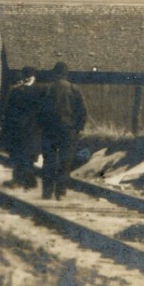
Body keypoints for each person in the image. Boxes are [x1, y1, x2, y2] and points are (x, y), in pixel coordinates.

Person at [38, 61, 88, 199]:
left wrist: (42, 127)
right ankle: (61, 192)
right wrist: (78, 129)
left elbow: (39, 111)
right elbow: (83, 112)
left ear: (54, 73)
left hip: (49, 131)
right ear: (66, 74)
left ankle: (47, 192)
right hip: (68, 131)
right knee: (65, 162)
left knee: (49, 161)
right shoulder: (74, 89)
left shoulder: (46, 89)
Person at [2, 67, 42, 189]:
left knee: (18, 155)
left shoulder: (16, 92)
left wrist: (7, 129)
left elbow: (8, 112)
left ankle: (20, 180)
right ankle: (29, 180)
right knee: (29, 156)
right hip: (34, 130)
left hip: (19, 129)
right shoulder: (41, 91)